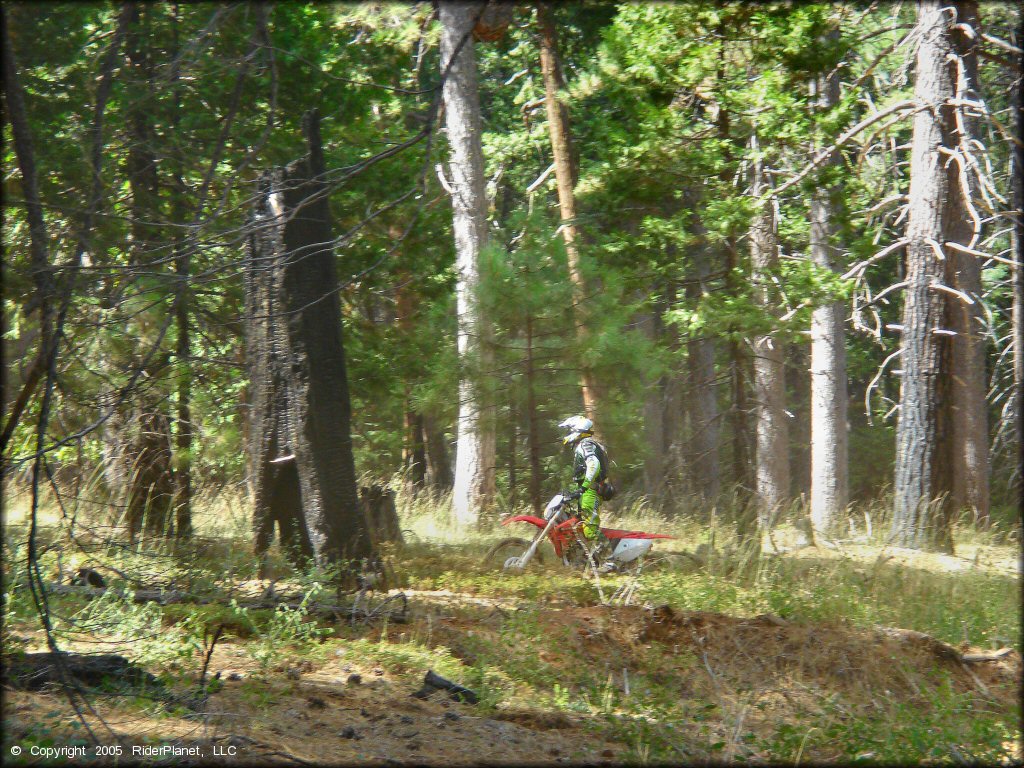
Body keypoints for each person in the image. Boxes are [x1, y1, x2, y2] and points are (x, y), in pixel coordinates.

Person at [558, 415, 615, 572]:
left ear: (577, 430)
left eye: (570, 429)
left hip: (590, 491)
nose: (568, 433)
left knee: (590, 528)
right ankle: (583, 559)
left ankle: (609, 562)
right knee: (580, 525)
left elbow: (593, 465)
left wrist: (583, 487)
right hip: (589, 490)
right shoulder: (587, 444)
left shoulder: (585, 445)